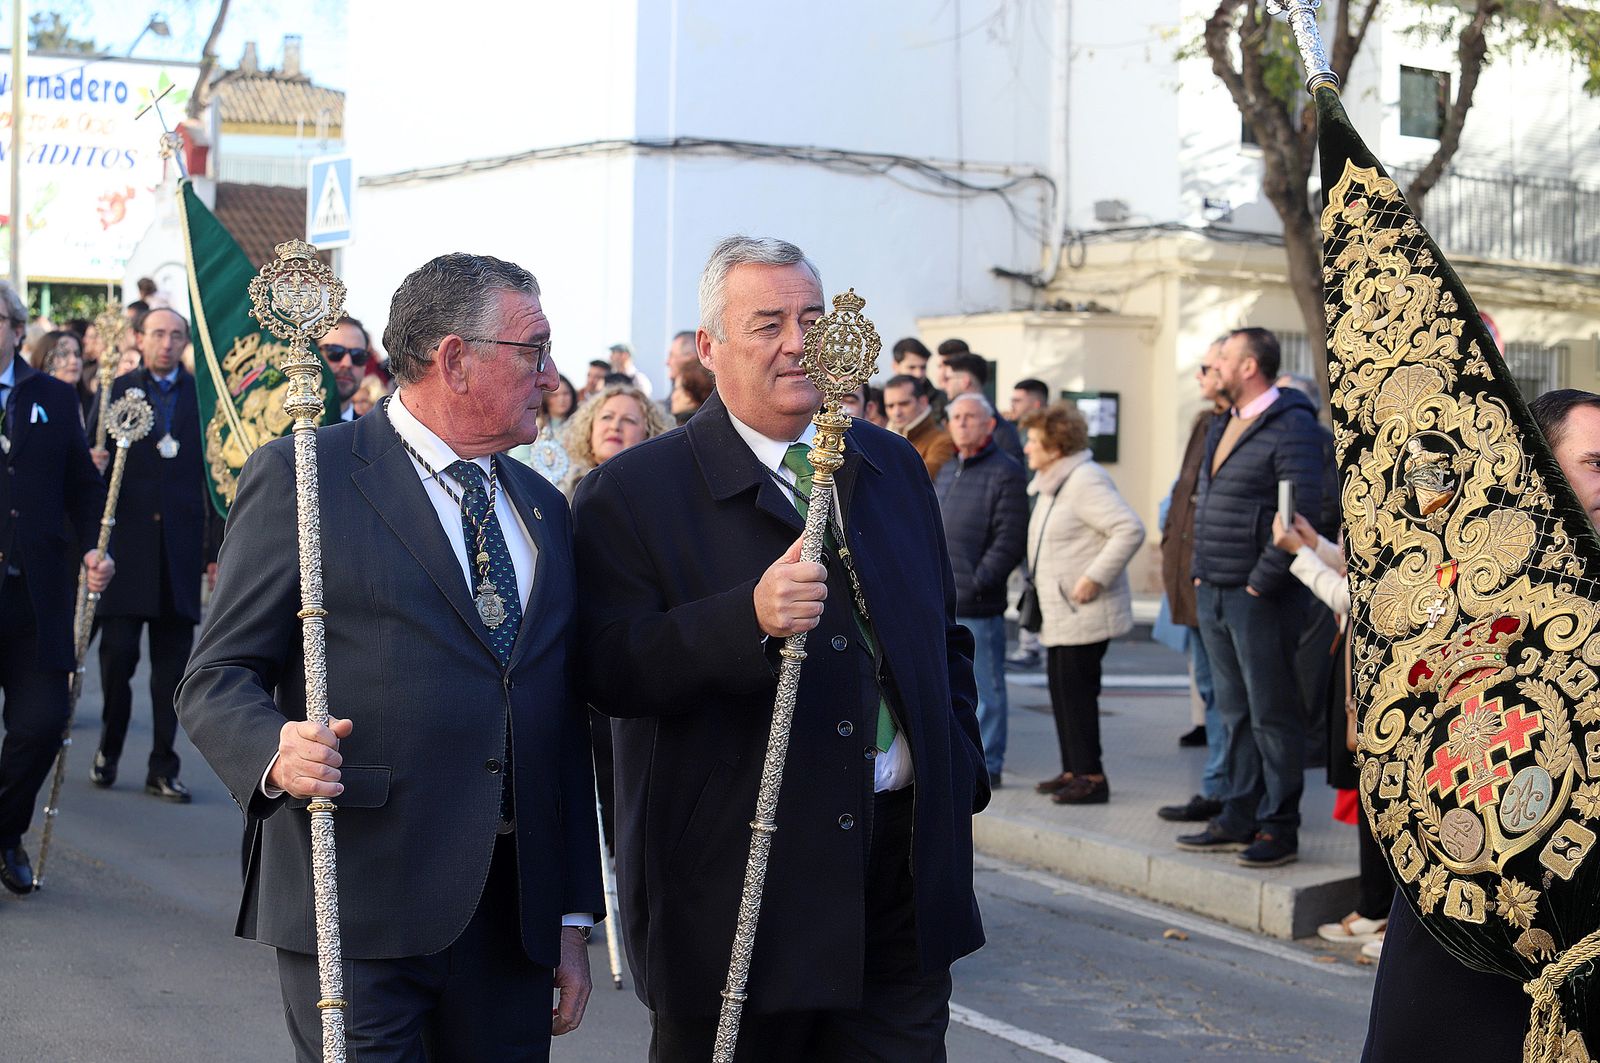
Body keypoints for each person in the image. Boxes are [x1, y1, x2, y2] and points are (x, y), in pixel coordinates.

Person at [176, 252, 603, 1061]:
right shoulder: (311, 474)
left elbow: (556, 716)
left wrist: (571, 917)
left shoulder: (543, 506)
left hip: (512, 914)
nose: (551, 375)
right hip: (360, 894)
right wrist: (276, 749)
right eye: (533, 350)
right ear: (454, 358)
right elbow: (215, 677)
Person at [572, 235, 987, 1061]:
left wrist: (956, 768)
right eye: (767, 324)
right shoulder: (635, 489)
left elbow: (943, 637)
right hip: (738, 878)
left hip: (900, 863)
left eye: (811, 318)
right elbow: (606, 666)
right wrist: (745, 619)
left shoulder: (891, 463)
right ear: (709, 348)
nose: (798, 342)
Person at [1177, 326, 1324, 868]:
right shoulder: (1223, 423)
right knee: (1234, 710)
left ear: (1249, 367)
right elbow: (1206, 501)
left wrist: (1261, 580)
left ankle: (1279, 826)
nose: (1213, 366)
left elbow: (1305, 511)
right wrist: (1199, 572)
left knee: (1271, 713)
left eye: (1223, 357)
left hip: (1259, 594)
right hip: (1215, 585)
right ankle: (1238, 814)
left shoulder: (1293, 427)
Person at [0, 280, 113, 894]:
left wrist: (97, 545)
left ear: (18, 328)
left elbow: (82, 488)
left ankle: (5, 829)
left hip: (37, 593)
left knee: (42, 724)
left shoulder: (51, 394)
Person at [89, 308, 211, 803]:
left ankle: (163, 764)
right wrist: (91, 460)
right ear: (139, 338)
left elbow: (217, 479)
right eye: (158, 333)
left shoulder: (201, 398)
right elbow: (86, 476)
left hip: (178, 556)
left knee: (172, 674)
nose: (166, 342)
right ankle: (108, 747)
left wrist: (214, 548)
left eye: (175, 335)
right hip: (127, 554)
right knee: (117, 662)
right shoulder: (114, 393)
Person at [1023, 402, 1145, 805]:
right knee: (1061, 692)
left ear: (1056, 446)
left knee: (1077, 695)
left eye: (1034, 441)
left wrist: (1093, 578)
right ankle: (1073, 769)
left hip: (1083, 609)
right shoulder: (1055, 480)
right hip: (1061, 611)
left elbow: (1129, 529)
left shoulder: (1085, 480)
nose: (1027, 448)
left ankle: (1092, 777)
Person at [934, 392, 1027, 787]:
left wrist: (977, 581)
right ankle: (963, 757)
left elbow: (1009, 539)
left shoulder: (1005, 471)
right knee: (952, 685)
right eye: (956, 417)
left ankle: (990, 764)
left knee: (987, 688)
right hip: (945, 596)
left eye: (971, 417)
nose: (962, 424)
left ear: (990, 424)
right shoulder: (947, 468)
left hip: (979, 601)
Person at [1157, 339, 1232, 823]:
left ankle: (1224, 791)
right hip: (1192, 577)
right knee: (1209, 690)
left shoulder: (1239, 426)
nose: (1201, 376)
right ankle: (1220, 786)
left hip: (1220, 579)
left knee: (1227, 696)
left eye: (1208, 367)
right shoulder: (1205, 424)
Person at [557, 381, 673, 499]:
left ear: (649, 434)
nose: (615, 426)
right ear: (589, 428)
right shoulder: (562, 492)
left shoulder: (658, 496)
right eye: (607, 417)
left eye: (629, 420)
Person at [943, 353, 1024, 465]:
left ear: (965, 381)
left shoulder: (1001, 430)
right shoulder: (1002, 426)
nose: (944, 384)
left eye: (948, 379)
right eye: (957, 418)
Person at [883, 373, 955, 479]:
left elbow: (922, 481)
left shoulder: (943, 441)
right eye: (890, 406)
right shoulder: (883, 438)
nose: (896, 412)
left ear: (923, 402)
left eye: (904, 404)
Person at [318, 315, 372, 421]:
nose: (347, 363)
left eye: (358, 356)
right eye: (334, 352)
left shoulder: (374, 435)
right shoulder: (279, 428)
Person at [669, 360, 714, 425]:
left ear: (689, 396)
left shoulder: (679, 429)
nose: (673, 396)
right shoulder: (713, 425)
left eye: (676, 389)